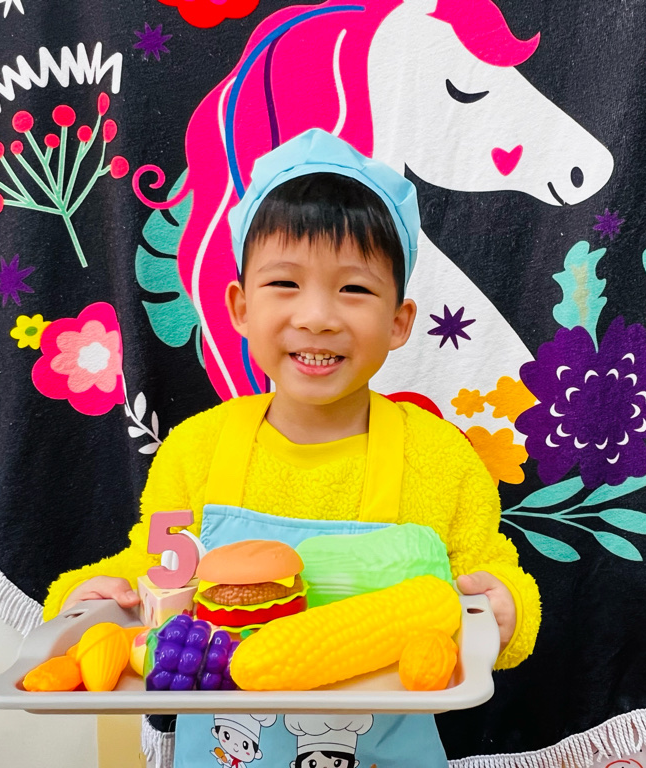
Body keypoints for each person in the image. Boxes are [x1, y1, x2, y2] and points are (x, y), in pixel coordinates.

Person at [42, 128, 541, 768]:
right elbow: (154, 571)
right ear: (240, 308)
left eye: (354, 289)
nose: (317, 317)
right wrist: (86, 598)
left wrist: (506, 608)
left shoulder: (439, 458)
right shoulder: (196, 449)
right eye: (284, 284)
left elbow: (486, 574)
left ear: (399, 322)